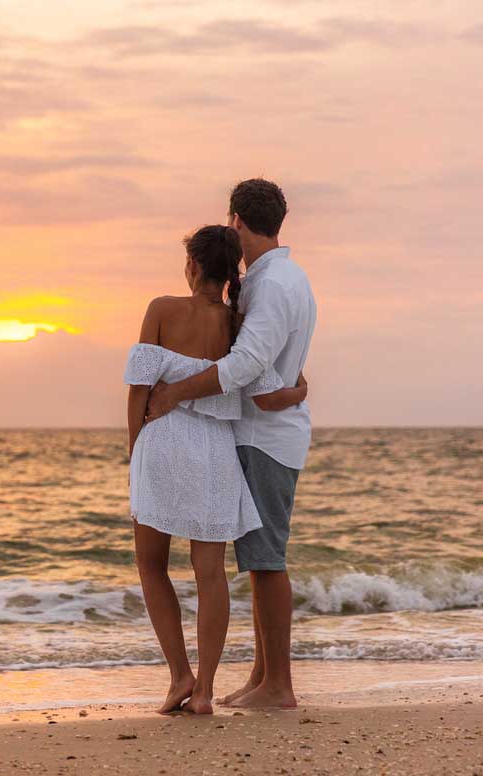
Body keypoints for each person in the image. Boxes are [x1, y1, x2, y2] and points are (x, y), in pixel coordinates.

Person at [145, 178, 317, 710]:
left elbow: (246, 363)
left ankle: (279, 685)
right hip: (265, 432)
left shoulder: (272, 284)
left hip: (264, 440)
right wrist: (295, 388)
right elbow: (277, 356)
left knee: (266, 562)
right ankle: (262, 676)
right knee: (258, 559)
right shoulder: (283, 277)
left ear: (238, 221)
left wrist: (176, 392)